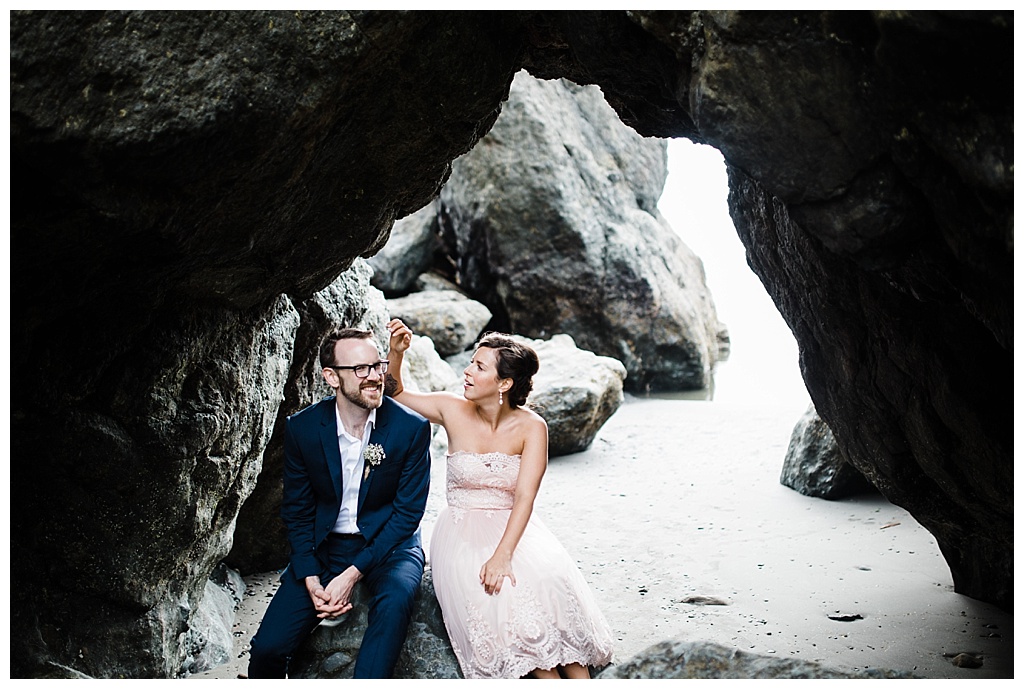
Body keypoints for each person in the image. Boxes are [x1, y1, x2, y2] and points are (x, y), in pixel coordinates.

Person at [385, 318, 614, 679]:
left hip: (515, 529)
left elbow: (525, 496)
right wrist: (395, 354)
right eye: (471, 362)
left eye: (479, 366)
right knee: (506, 602)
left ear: (504, 383)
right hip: (461, 531)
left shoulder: (531, 426)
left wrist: (503, 555)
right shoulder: (450, 408)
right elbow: (395, 394)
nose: (467, 371)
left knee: (548, 585)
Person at [248, 328, 432, 679]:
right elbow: (297, 510)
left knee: (394, 603)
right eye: (361, 369)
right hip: (325, 547)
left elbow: (408, 514)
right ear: (331, 377)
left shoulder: (411, 428)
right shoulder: (303, 428)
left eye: (377, 365)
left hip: (391, 546)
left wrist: (351, 575)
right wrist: (311, 576)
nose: (376, 376)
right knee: (268, 650)